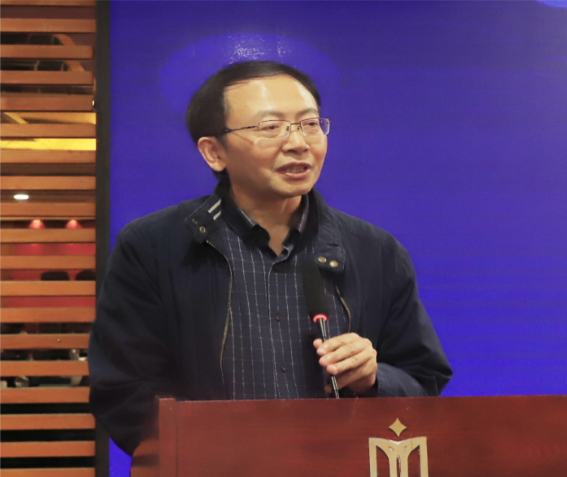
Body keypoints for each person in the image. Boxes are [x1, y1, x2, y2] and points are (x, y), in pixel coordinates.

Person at [88, 61, 452, 456]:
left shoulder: (375, 251)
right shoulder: (154, 247)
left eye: (309, 124)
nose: (298, 142)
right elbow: (123, 391)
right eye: (270, 127)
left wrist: (374, 378)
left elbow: (423, 380)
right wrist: (224, 452)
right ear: (214, 152)